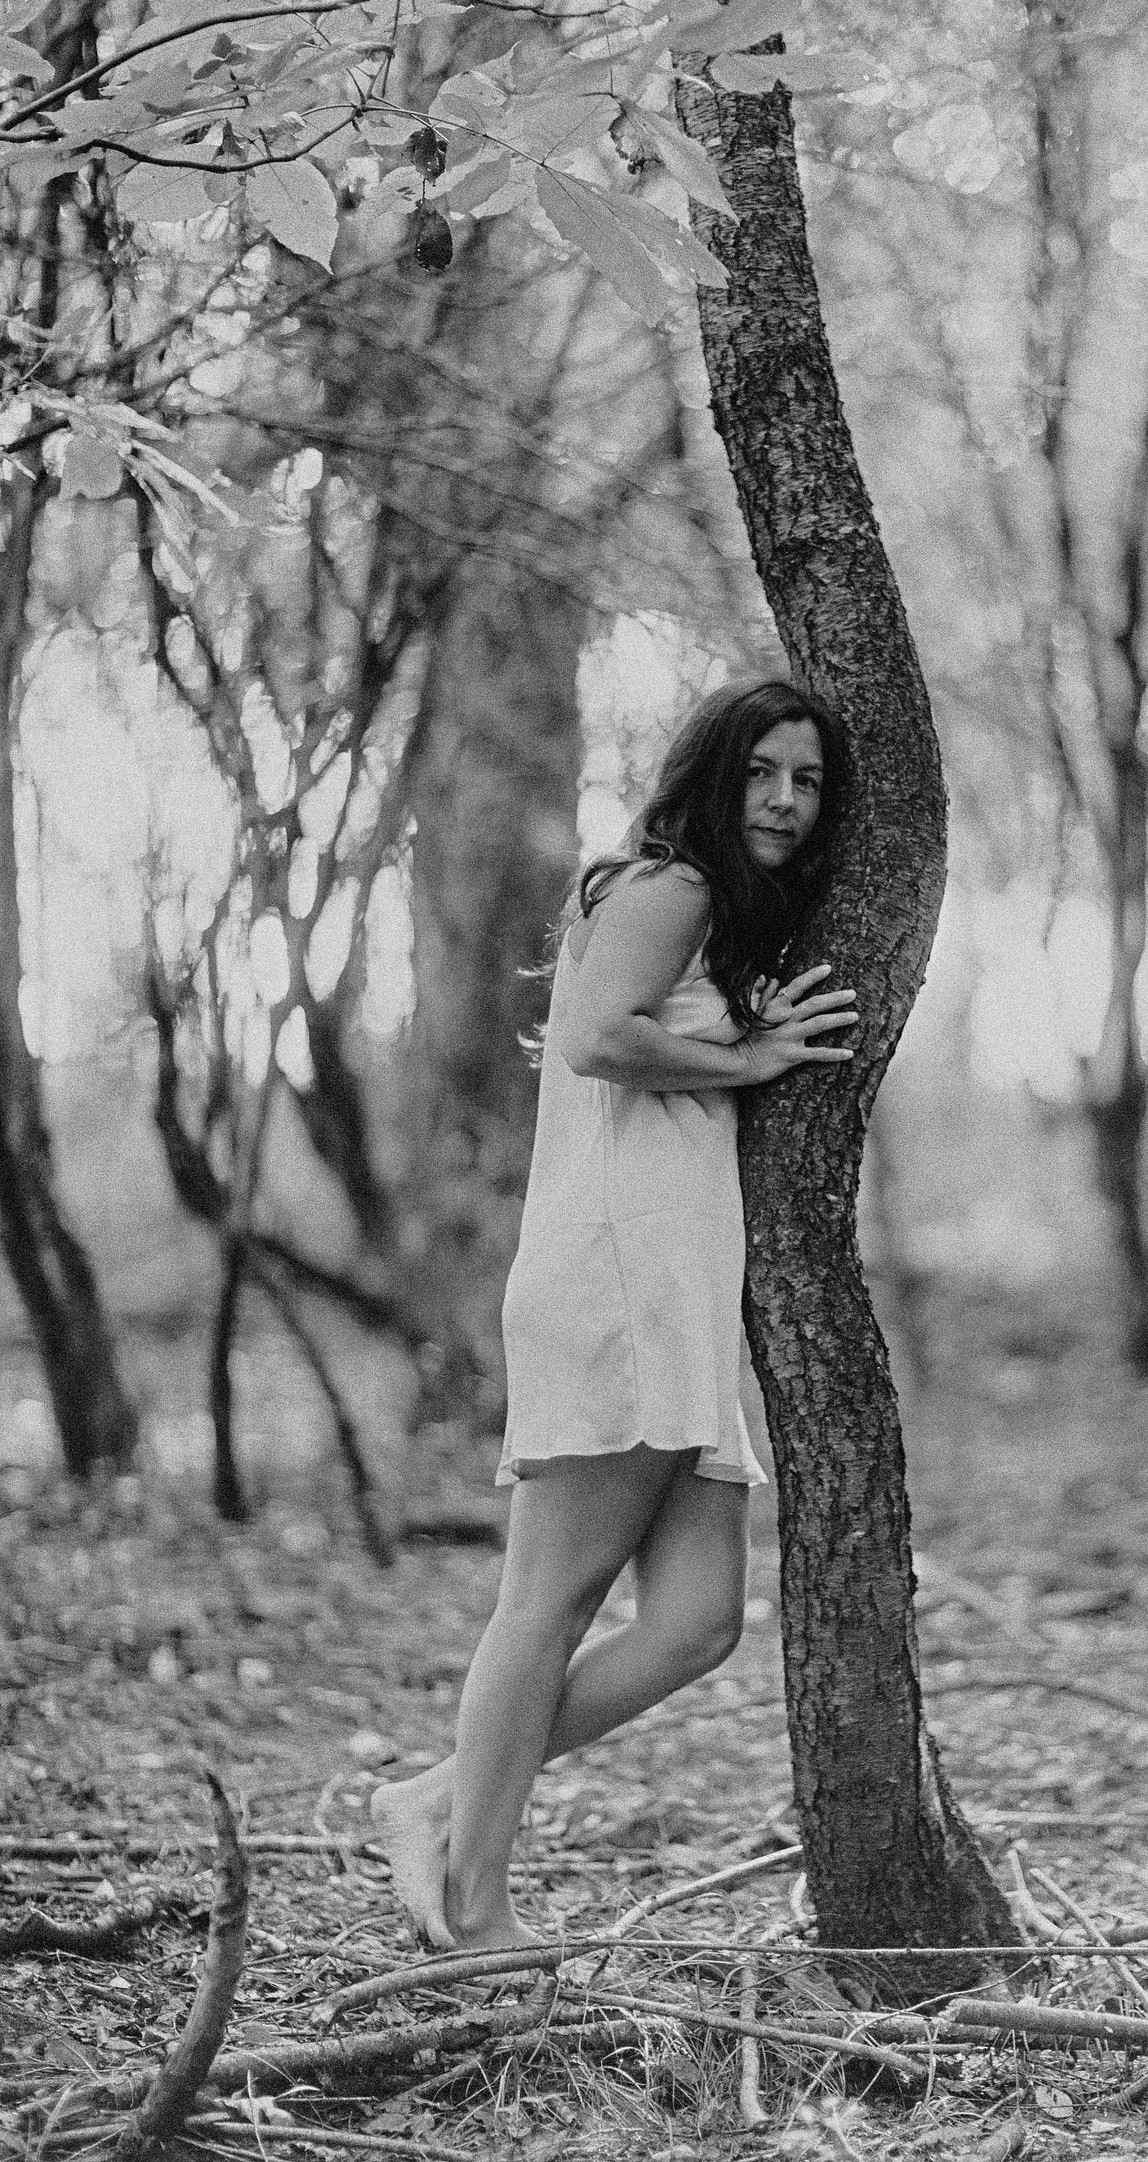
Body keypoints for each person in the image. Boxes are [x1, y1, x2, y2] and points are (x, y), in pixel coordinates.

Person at [370, 675, 857, 1950]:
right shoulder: (667, 886)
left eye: (808, 781)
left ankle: (438, 1795)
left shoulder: (706, 912)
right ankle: (473, 1901)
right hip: (617, 1284)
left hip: (673, 1293)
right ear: (712, 775)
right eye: (761, 773)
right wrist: (750, 1058)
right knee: (548, 1602)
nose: (785, 801)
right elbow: (594, 1036)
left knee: (695, 1622)